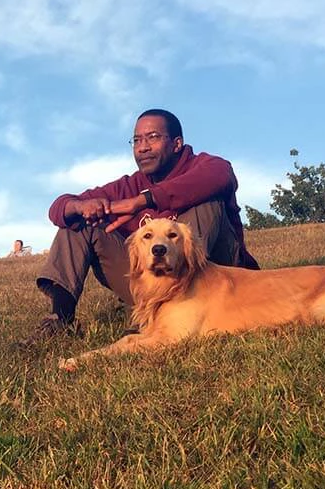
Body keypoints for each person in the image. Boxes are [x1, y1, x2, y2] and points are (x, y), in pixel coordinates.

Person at [32, 108, 259, 336]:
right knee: (77, 223)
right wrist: (80, 207)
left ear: (177, 144)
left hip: (214, 283)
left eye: (153, 137)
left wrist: (141, 201)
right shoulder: (128, 186)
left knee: (207, 202)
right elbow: (59, 207)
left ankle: (169, 317)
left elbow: (221, 175)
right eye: (137, 140)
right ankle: (60, 320)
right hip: (154, 283)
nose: (142, 147)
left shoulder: (203, 166)